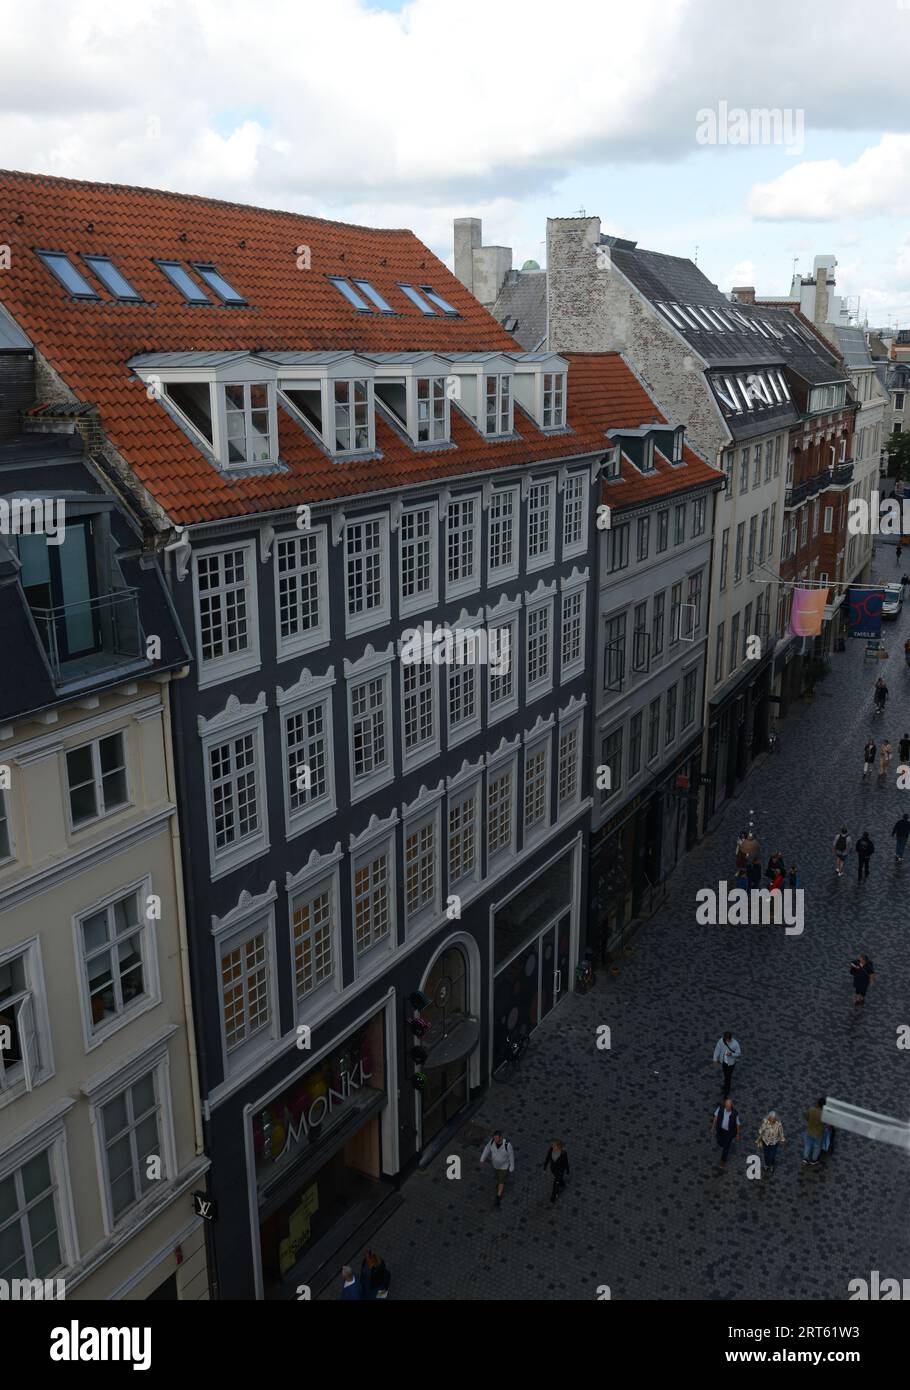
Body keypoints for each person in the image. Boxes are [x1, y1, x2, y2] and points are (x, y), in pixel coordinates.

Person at [480, 1130, 515, 1207]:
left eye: (496, 1138)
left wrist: (511, 1166)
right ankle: (500, 1182)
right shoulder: (492, 1141)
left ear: (501, 1137)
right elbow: (487, 1148)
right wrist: (482, 1159)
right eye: (494, 1138)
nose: (495, 1140)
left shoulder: (507, 1145)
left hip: (504, 1166)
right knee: (498, 1176)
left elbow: (511, 1156)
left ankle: (498, 1197)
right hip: (495, 1165)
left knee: (501, 1181)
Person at [711, 1097, 741, 1168]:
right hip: (720, 1130)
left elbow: (738, 1124)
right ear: (725, 1105)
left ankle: (723, 1161)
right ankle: (722, 1143)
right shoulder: (720, 1109)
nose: (728, 1108)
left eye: (729, 1106)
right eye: (727, 1106)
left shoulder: (735, 1113)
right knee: (720, 1142)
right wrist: (713, 1127)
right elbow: (716, 1117)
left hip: (729, 1133)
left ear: (731, 1106)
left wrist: (738, 1134)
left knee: (726, 1147)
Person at [712, 1031, 741, 1099]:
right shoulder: (721, 1041)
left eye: (728, 1039)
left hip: (731, 1063)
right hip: (724, 1062)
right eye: (726, 1039)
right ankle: (726, 1086)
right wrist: (715, 1059)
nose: (727, 1040)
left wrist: (732, 1054)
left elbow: (738, 1053)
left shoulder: (735, 1044)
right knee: (726, 1075)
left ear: (730, 1038)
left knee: (728, 1077)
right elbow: (717, 1050)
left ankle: (726, 1091)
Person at [542, 1141, 570, 1205]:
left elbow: (566, 1162)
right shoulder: (551, 1149)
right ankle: (562, 1184)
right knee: (559, 1180)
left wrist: (567, 1170)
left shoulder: (563, 1153)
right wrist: (545, 1166)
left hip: (560, 1171)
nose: (553, 1146)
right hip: (553, 1170)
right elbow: (548, 1157)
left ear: (559, 1147)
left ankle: (552, 1199)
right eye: (553, 1145)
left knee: (555, 1184)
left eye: (554, 1146)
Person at [802, 1099, 825, 1166]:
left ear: (818, 1104)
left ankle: (805, 1159)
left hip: (810, 1131)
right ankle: (814, 1160)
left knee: (807, 1145)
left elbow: (806, 1117)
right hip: (818, 1133)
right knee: (817, 1146)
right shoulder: (824, 1114)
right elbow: (825, 1124)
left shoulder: (811, 1109)